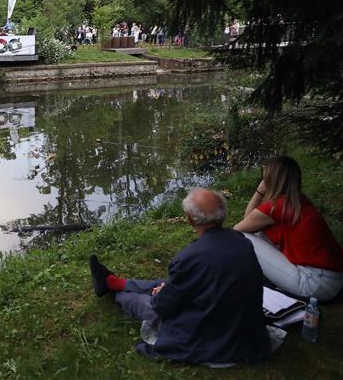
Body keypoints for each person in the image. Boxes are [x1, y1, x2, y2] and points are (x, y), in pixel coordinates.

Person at [90, 188, 271, 365]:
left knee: (140, 302)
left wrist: (161, 294)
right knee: (165, 284)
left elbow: (162, 307)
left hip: (212, 333)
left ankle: (114, 291)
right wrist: (166, 289)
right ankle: (112, 282)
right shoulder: (241, 242)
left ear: (191, 219)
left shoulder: (190, 258)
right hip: (242, 327)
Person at [233, 156, 343, 301]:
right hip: (335, 279)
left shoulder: (276, 207)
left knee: (243, 237)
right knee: (257, 232)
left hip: (315, 284)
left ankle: (236, 278)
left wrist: (260, 191)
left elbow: (239, 229)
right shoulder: (300, 202)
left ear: (270, 180)